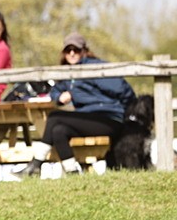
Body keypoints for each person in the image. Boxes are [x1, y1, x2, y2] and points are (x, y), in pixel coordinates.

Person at [17, 33, 135, 178]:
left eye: (76, 50)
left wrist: (127, 114)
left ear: (84, 51)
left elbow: (123, 89)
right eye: (68, 50)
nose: (72, 53)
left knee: (54, 116)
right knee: (59, 130)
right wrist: (59, 97)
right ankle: (73, 173)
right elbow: (55, 91)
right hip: (88, 118)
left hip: (109, 119)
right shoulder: (67, 73)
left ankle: (35, 164)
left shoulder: (95, 67)